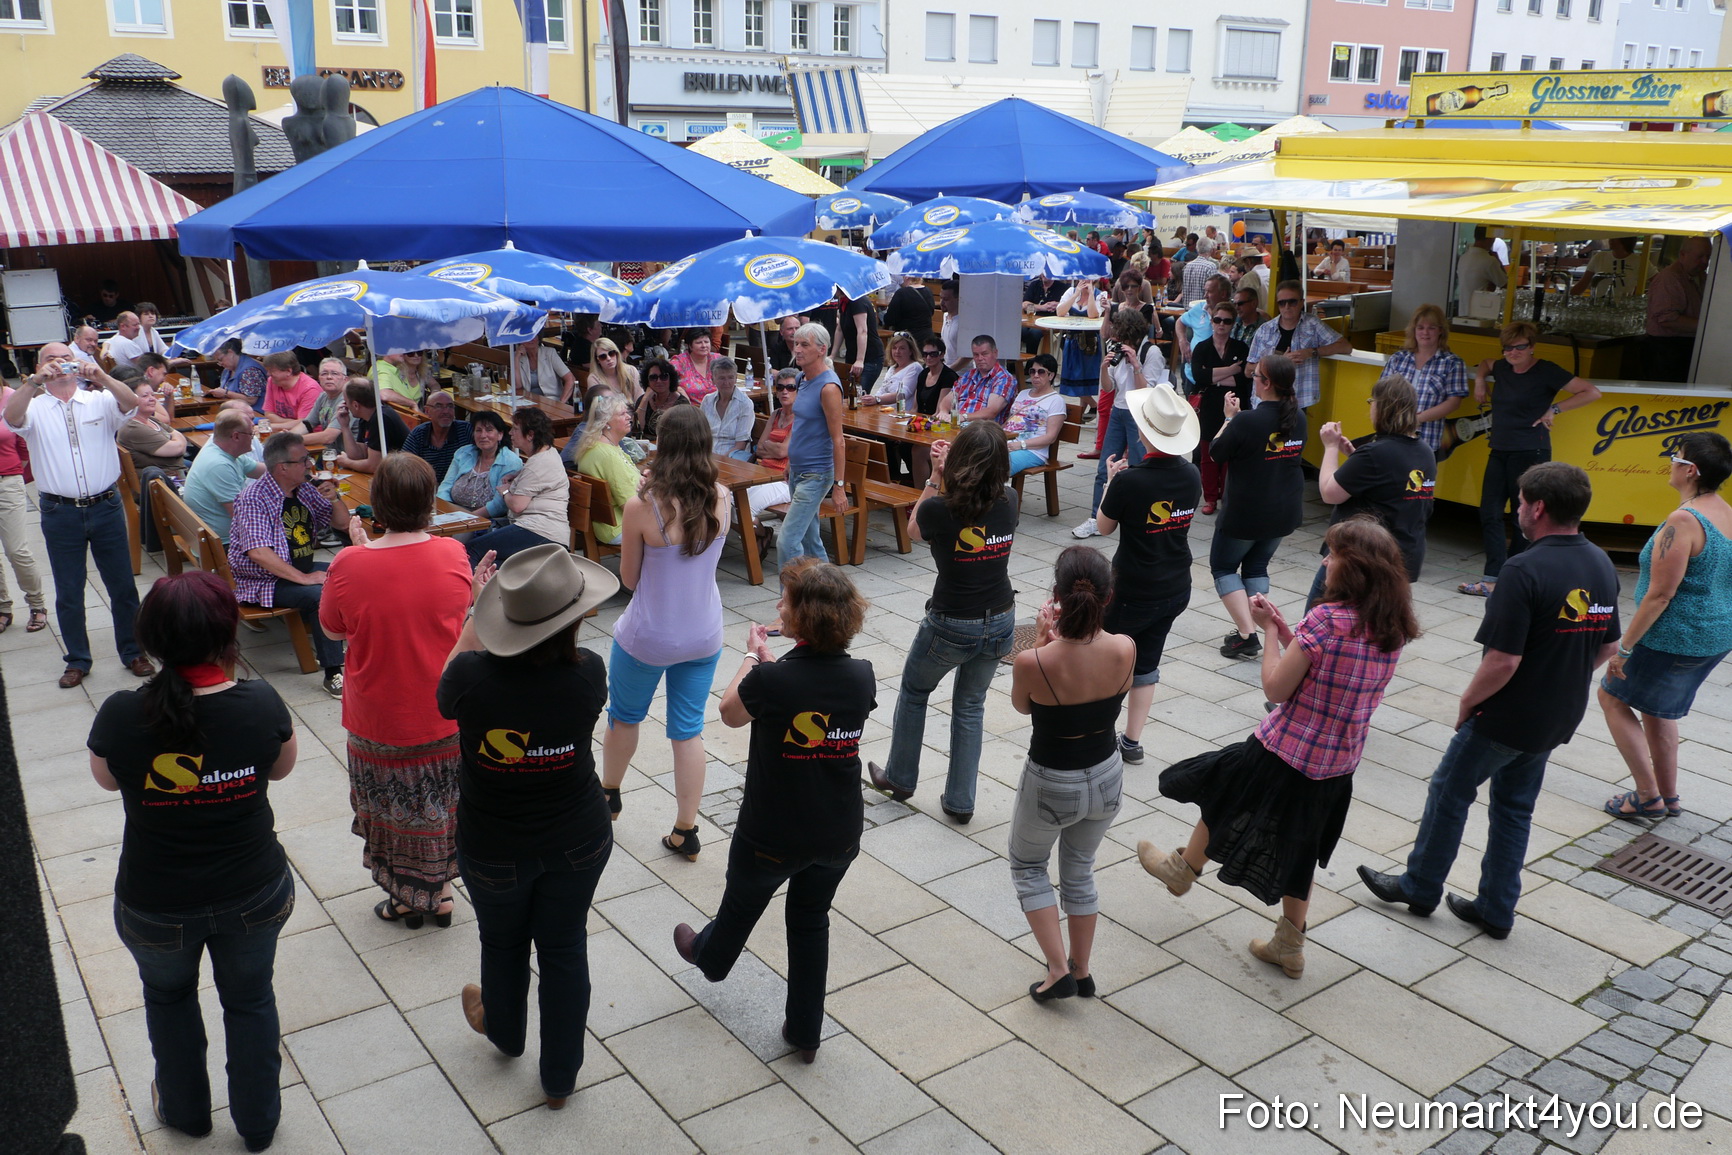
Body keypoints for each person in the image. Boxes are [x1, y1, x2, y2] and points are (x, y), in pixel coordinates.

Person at [1143, 517, 1420, 977]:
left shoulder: (1328, 619)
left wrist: (1267, 631)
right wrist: (1287, 628)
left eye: (1332, 554)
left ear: (1353, 568)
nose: (1326, 561)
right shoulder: (1392, 625)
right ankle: (1290, 944)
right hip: (1337, 763)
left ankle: (1181, 871)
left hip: (1285, 748)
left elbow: (1276, 685)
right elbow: (1320, 664)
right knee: (1302, 845)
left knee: (1224, 796)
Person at [1360, 464, 1619, 939]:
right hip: (1556, 716)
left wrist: (1466, 703)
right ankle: (1497, 909)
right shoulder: (1600, 563)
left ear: (1538, 508)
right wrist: (1563, 674)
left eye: (1520, 501)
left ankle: (1420, 886)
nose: (1516, 508)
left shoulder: (1522, 569)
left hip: (1507, 714)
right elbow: (1607, 645)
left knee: (1449, 792)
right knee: (1514, 809)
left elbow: (1502, 661)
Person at [88, 571, 299, 1153]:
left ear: (151, 640)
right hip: (252, 891)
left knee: (169, 999)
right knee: (251, 998)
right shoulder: (259, 703)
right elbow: (280, 769)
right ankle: (258, 1124)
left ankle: (186, 1114)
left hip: (155, 903)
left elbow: (106, 780)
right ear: (227, 635)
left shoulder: (120, 714)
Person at [438, 544, 620, 1111]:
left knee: (503, 941)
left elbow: (444, 692)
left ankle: (506, 1034)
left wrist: (473, 616)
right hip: (579, 837)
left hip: (494, 845)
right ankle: (560, 1077)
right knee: (565, 948)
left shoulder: (471, 677)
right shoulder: (589, 674)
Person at [673, 559, 875, 1064]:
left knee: (742, 904)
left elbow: (728, 712)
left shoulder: (774, 680)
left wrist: (753, 657)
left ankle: (711, 957)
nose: (777, 605)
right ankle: (805, 1031)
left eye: (785, 600)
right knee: (811, 920)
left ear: (803, 618)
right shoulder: (861, 676)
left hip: (773, 830)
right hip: (838, 829)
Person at [320, 453, 472, 925]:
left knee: (392, 811)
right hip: (444, 711)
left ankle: (407, 897)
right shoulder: (452, 553)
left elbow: (333, 630)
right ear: (428, 502)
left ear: (377, 503)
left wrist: (359, 551)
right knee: (441, 808)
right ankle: (441, 892)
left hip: (380, 716)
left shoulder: (348, 564)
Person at [599, 407, 731, 861]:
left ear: (663, 444)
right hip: (704, 633)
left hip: (650, 635)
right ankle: (685, 830)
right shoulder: (724, 497)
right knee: (688, 731)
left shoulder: (643, 506)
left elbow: (630, 581)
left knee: (625, 717)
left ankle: (609, 796)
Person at [868, 421, 1016, 822]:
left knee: (915, 692)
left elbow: (914, 531)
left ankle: (900, 777)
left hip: (952, 621)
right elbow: (980, 500)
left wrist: (935, 476)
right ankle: (961, 802)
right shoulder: (1011, 498)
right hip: (1001, 616)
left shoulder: (939, 507)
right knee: (971, 706)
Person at [1009, 546, 1136, 1000]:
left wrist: (1043, 642)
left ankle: (1057, 968)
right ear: (1108, 597)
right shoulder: (1126, 647)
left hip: (1052, 779)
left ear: (1056, 598)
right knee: (1079, 870)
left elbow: (1023, 705)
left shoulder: (1034, 661)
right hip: (1105, 773)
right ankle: (1082, 971)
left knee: (1028, 866)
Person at [1600, 433, 1732, 820]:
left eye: (1675, 457)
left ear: (1690, 470)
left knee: (1612, 698)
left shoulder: (1684, 520)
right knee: (1658, 711)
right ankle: (1669, 797)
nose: (1669, 462)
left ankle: (1647, 797)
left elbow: (1661, 594)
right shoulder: (1726, 511)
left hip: (1674, 637)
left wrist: (1623, 648)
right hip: (1714, 635)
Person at [3, 347, 153, 686]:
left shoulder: (98, 399)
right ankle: (77, 660)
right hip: (60, 511)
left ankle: (133, 652)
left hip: (106, 506)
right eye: (50, 359)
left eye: (64, 357)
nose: (59, 364)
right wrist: (33, 383)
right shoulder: (35, 406)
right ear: (40, 367)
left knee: (122, 586)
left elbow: (131, 404)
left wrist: (100, 375)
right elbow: (11, 419)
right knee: (69, 591)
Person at [1095, 385, 1203, 766]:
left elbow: (1104, 526)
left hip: (1132, 587)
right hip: (1175, 584)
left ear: (1144, 433)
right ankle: (1132, 741)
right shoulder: (1191, 475)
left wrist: (1110, 480)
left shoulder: (1130, 480)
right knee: (1147, 662)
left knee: (1108, 660)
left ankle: (1096, 732)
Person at [1460, 321, 1602, 597]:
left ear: (1532, 347)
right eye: (1508, 348)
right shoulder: (1501, 367)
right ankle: (1493, 576)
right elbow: (1487, 363)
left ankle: (1512, 577)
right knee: (1489, 511)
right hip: (1499, 448)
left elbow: (1591, 391)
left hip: (1530, 450)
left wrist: (1555, 409)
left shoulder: (1545, 370)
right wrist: (1479, 380)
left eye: (1519, 347)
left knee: (1522, 515)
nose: (1513, 352)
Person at [229, 431, 360, 698]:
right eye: (303, 460)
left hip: (296, 569)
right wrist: (304, 578)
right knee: (320, 593)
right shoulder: (254, 497)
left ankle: (359, 648)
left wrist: (334, 498)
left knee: (357, 575)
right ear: (282, 467)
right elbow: (258, 553)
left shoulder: (302, 489)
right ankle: (333, 672)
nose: (310, 465)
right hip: (264, 581)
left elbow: (342, 523)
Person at [1212, 355, 1307, 660]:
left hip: (1247, 513)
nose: (1252, 379)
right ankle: (1260, 626)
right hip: (1283, 511)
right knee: (1255, 566)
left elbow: (1216, 452)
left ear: (1266, 384)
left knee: (1224, 567)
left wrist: (1228, 417)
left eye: (1255, 376)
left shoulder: (1247, 420)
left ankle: (1247, 634)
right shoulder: (1299, 417)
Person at [1312, 375, 1436, 606]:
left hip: (1358, 558)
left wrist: (1330, 448)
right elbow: (1390, 485)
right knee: (1374, 630)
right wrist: (1353, 458)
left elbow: (1329, 493)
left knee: (1319, 626)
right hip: (1402, 557)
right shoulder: (1424, 451)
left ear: (1382, 407)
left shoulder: (1375, 453)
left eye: (1372, 402)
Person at [1073, 309, 1152, 539]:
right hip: (1119, 411)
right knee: (1104, 467)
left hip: (1139, 413)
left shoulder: (1151, 352)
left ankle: (1136, 519)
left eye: (1123, 338)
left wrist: (1135, 364)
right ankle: (1096, 518)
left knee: (1138, 468)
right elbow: (1108, 388)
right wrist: (1104, 368)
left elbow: (1147, 392)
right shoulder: (1117, 350)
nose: (1120, 342)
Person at [777, 323, 849, 573]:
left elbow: (838, 440)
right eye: (796, 343)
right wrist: (789, 461)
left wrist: (839, 487)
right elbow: (802, 424)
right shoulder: (800, 378)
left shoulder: (829, 387)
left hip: (817, 475)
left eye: (804, 344)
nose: (797, 349)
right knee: (810, 540)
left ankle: (792, 602)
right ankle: (832, 598)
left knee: (787, 541)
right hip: (798, 470)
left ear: (822, 349)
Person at [464, 408, 568, 564]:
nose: (510, 433)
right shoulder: (547, 454)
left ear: (530, 435)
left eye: (515, 429)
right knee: (494, 563)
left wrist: (504, 491)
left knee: (471, 550)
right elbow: (537, 475)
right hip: (540, 529)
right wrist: (519, 474)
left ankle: (467, 588)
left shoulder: (539, 464)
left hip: (541, 532)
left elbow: (517, 505)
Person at [1247, 280, 1353, 409]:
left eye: (1292, 302)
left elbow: (1345, 346)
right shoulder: (1265, 330)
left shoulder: (1313, 324)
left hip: (1298, 400)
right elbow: (1248, 370)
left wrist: (1312, 352)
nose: (1287, 307)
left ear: (1302, 302)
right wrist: (1279, 363)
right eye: (1282, 303)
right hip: (1265, 401)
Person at [1190, 298, 1251, 515]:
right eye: (1217, 320)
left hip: (1235, 404)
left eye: (1227, 321)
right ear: (1211, 321)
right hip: (1209, 406)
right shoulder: (1202, 347)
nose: (1221, 324)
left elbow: (1243, 379)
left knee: (1229, 455)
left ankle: (1226, 496)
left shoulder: (1241, 347)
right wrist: (1231, 369)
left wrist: (1213, 375)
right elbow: (1198, 376)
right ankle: (1210, 498)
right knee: (1207, 455)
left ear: (1233, 323)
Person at [1382, 305, 1469, 454]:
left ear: (1441, 330)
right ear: (1413, 330)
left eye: (1432, 328)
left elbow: (1454, 403)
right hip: (1392, 437)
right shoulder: (1398, 359)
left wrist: (1417, 419)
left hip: (1426, 441)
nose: (1425, 332)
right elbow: (1381, 395)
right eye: (1420, 327)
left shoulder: (1452, 363)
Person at [0, 380, 46, 635]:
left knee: (16, 550)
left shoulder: (12, 397)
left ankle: (37, 604)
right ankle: (2, 608)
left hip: (7, 481)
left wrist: (17, 474)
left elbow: (22, 443)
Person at [183, 410, 266, 543]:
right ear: (236, 436)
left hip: (218, 538)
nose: (253, 438)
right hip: (223, 545)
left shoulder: (226, 452)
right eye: (251, 434)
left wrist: (291, 468)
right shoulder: (219, 465)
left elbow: (266, 472)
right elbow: (242, 517)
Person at [574, 394, 639, 545]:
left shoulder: (600, 446)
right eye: (622, 414)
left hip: (610, 524)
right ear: (606, 423)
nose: (629, 417)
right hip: (620, 527)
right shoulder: (608, 455)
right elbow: (630, 506)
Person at [438, 409, 522, 523]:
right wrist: (446, 514)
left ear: (500, 435)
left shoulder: (510, 462)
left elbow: (499, 505)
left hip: (485, 520)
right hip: (452, 514)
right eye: (478, 430)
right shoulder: (463, 453)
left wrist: (466, 519)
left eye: (489, 430)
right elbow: (445, 487)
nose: (483, 435)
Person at [1645, 236, 1710, 383]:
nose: (1705, 261)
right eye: (1700, 256)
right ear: (1682, 255)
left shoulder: (1701, 276)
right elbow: (1667, 319)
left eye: (1708, 256)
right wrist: (1709, 326)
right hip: (1667, 350)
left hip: (1686, 347)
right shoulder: (1670, 278)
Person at [1003, 353, 1068, 476]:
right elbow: (1010, 421)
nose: (1035, 375)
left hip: (1032, 451)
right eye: (1032, 371)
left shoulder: (1056, 400)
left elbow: (1050, 437)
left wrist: (1019, 445)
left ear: (1051, 375)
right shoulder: (1023, 393)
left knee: (996, 466)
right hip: (1007, 443)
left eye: (1041, 372)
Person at [936, 334, 1017, 425]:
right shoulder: (968, 376)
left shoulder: (1004, 379)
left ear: (995, 353)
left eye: (984, 354)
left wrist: (964, 417)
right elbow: (948, 400)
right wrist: (943, 411)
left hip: (983, 431)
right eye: (976, 355)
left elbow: (991, 412)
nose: (980, 358)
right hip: (956, 426)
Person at [337, 379, 411, 474]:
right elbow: (358, 455)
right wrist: (345, 427)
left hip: (402, 475)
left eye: (346, 401)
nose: (345, 405)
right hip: (389, 473)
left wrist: (347, 463)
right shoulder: (366, 417)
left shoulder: (381, 418)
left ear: (355, 405)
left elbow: (374, 466)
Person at [402, 390, 474, 484]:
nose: (446, 411)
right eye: (438, 406)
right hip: (427, 489)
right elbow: (404, 464)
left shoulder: (466, 430)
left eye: (450, 406)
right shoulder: (419, 433)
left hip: (457, 489)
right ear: (427, 411)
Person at [119, 381, 188, 479]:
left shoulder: (151, 420)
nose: (152, 399)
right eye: (145, 396)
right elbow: (178, 448)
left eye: (153, 394)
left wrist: (178, 441)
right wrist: (176, 440)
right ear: (131, 400)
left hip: (172, 475)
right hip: (162, 484)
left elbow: (180, 439)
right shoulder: (133, 428)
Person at [1054, 278, 1103, 404]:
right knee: (1073, 378)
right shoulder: (1070, 291)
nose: (1085, 280)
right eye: (1083, 277)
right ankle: (1093, 406)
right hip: (1072, 341)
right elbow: (1060, 312)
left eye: (1089, 277)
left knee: (1085, 379)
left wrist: (1091, 293)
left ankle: (1087, 411)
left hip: (1090, 342)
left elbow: (1093, 314)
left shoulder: (1100, 295)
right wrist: (1076, 294)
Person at [700, 359, 756, 460]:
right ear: (713, 379)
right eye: (721, 378)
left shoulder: (745, 404)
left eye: (730, 377)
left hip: (732, 458)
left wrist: (718, 460)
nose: (726, 382)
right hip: (707, 454)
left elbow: (740, 445)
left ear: (736, 379)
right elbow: (700, 435)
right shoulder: (707, 400)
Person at [835, 287, 884, 395]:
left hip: (869, 358)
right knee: (847, 394)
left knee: (859, 395)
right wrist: (832, 355)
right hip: (852, 354)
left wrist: (860, 360)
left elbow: (862, 331)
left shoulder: (858, 301)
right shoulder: (843, 300)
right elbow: (840, 329)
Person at [258, 353, 322, 431]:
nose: (268, 374)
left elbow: (305, 425)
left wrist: (272, 426)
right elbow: (268, 414)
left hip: (309, 436)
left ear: (288, 371)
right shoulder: (272, 381)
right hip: (283, 432)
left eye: (271, 371)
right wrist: (293, 423)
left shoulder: (310, 389)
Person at [633, 358, 692, 441]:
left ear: (671, 379)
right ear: (647, 381)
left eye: (663, 376)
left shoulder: (682, 404)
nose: (658, 381)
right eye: (653, 377)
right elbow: (637, 429)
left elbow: (684, 435)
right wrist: (645, 400)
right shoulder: (642, 400)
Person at [512, 332, 578, 404]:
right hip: (529, 402)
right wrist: (516, 358)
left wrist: (561, 403)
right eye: (527, 336)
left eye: (534, 335)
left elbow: (570, 379)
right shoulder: (518, 356)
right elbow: (517, 386)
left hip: (552, 402)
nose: (531, 338)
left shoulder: (550, 353)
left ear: (538, 338)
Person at [861, 331, 921, 410]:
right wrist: (871, 398)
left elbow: (903, 394)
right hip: (884, 411)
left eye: (902, 348)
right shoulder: (892, 368)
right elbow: (882, 390)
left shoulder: (914, 368)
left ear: (910, 351)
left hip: (901, 414)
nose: (897, 352)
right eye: (894, 348)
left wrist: (877, 399)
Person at [300, 358, 350, 448]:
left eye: (334, 373)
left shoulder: (348, 400)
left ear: (345, 379)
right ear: (319, 378)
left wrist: (292, 440)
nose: (329, 377)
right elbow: (307, 424)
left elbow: (328, 437)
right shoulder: (323, 396)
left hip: (347, 457)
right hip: (328, 453)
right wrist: (287, 436)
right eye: (324, 373)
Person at [207, 339, 267, 411]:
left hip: (253, 414)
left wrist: (226, 393)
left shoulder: (250, 370)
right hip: (234, 412)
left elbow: (251, 400)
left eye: (221, 359)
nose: (220, 364)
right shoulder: (227, 370)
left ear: (231, 352)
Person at [1573, 236, 1641, 298]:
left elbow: (1651, 283)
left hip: (1624, 307)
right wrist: (1568, 297)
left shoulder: (1638, 261)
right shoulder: (1600, 257)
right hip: (1599, 305)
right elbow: (1583, 283)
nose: (1610, 240)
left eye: (1615, 238)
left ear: (1625, 240)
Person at [668, 330, 725, 403]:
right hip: (691, 410)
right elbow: (666, 381)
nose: (704, 346)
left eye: (706, 342)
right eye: (699, 343)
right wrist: (678, 389)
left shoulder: (718, 360)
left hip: (719, 407)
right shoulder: (679, 362)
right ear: (690, 346)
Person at [1456, 226, 1508, 300]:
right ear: (1490, 238)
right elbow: (1506, 285)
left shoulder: (1464, 257)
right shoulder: (1490, 261)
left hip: (1463, 309)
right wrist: (1499, 262)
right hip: (1481, 309)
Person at [1021, 273, 1067, 354]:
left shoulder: (1063, 288)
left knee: (1034, 333)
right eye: (1043, 272)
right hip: (1032, 320)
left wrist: (1059, 305)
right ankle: (1013, 362)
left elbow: (1068, 305)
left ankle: (1033, 361)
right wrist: (1042, 307)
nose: (1044, 274)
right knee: (1020, 331)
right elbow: (1025, 305)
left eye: (1047, 272)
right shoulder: (1034, 285)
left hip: (1051, 322)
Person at [585, 336, 640, 405]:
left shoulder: (631, 371)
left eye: (611, 353)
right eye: (603, 356)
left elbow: (640, 400)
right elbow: (600, 409)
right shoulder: (594, 378)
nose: (608, 358)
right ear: (597, 360)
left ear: (617, 354)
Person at [1180, 237, 1220, 303]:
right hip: (1202, 308)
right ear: (1211, 250)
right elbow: (1214, 290)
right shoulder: (1210, 266)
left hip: (1188, 307)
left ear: (1197, 248)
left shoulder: (1187, 266)